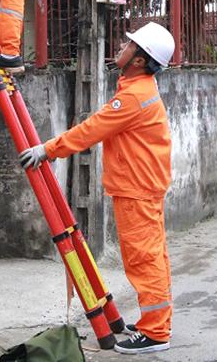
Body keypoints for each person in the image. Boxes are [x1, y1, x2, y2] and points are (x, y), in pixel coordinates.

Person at [19, 23, 176, 355]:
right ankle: (155, 322)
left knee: (143, 258)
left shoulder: (134, 96)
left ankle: (156, 332)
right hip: (142, 185)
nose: (122, 45)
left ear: (139, 59)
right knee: (150, 255)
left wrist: (47, 149)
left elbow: (92, 130)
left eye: (129, 44)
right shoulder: (138, 87)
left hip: (137, 187)